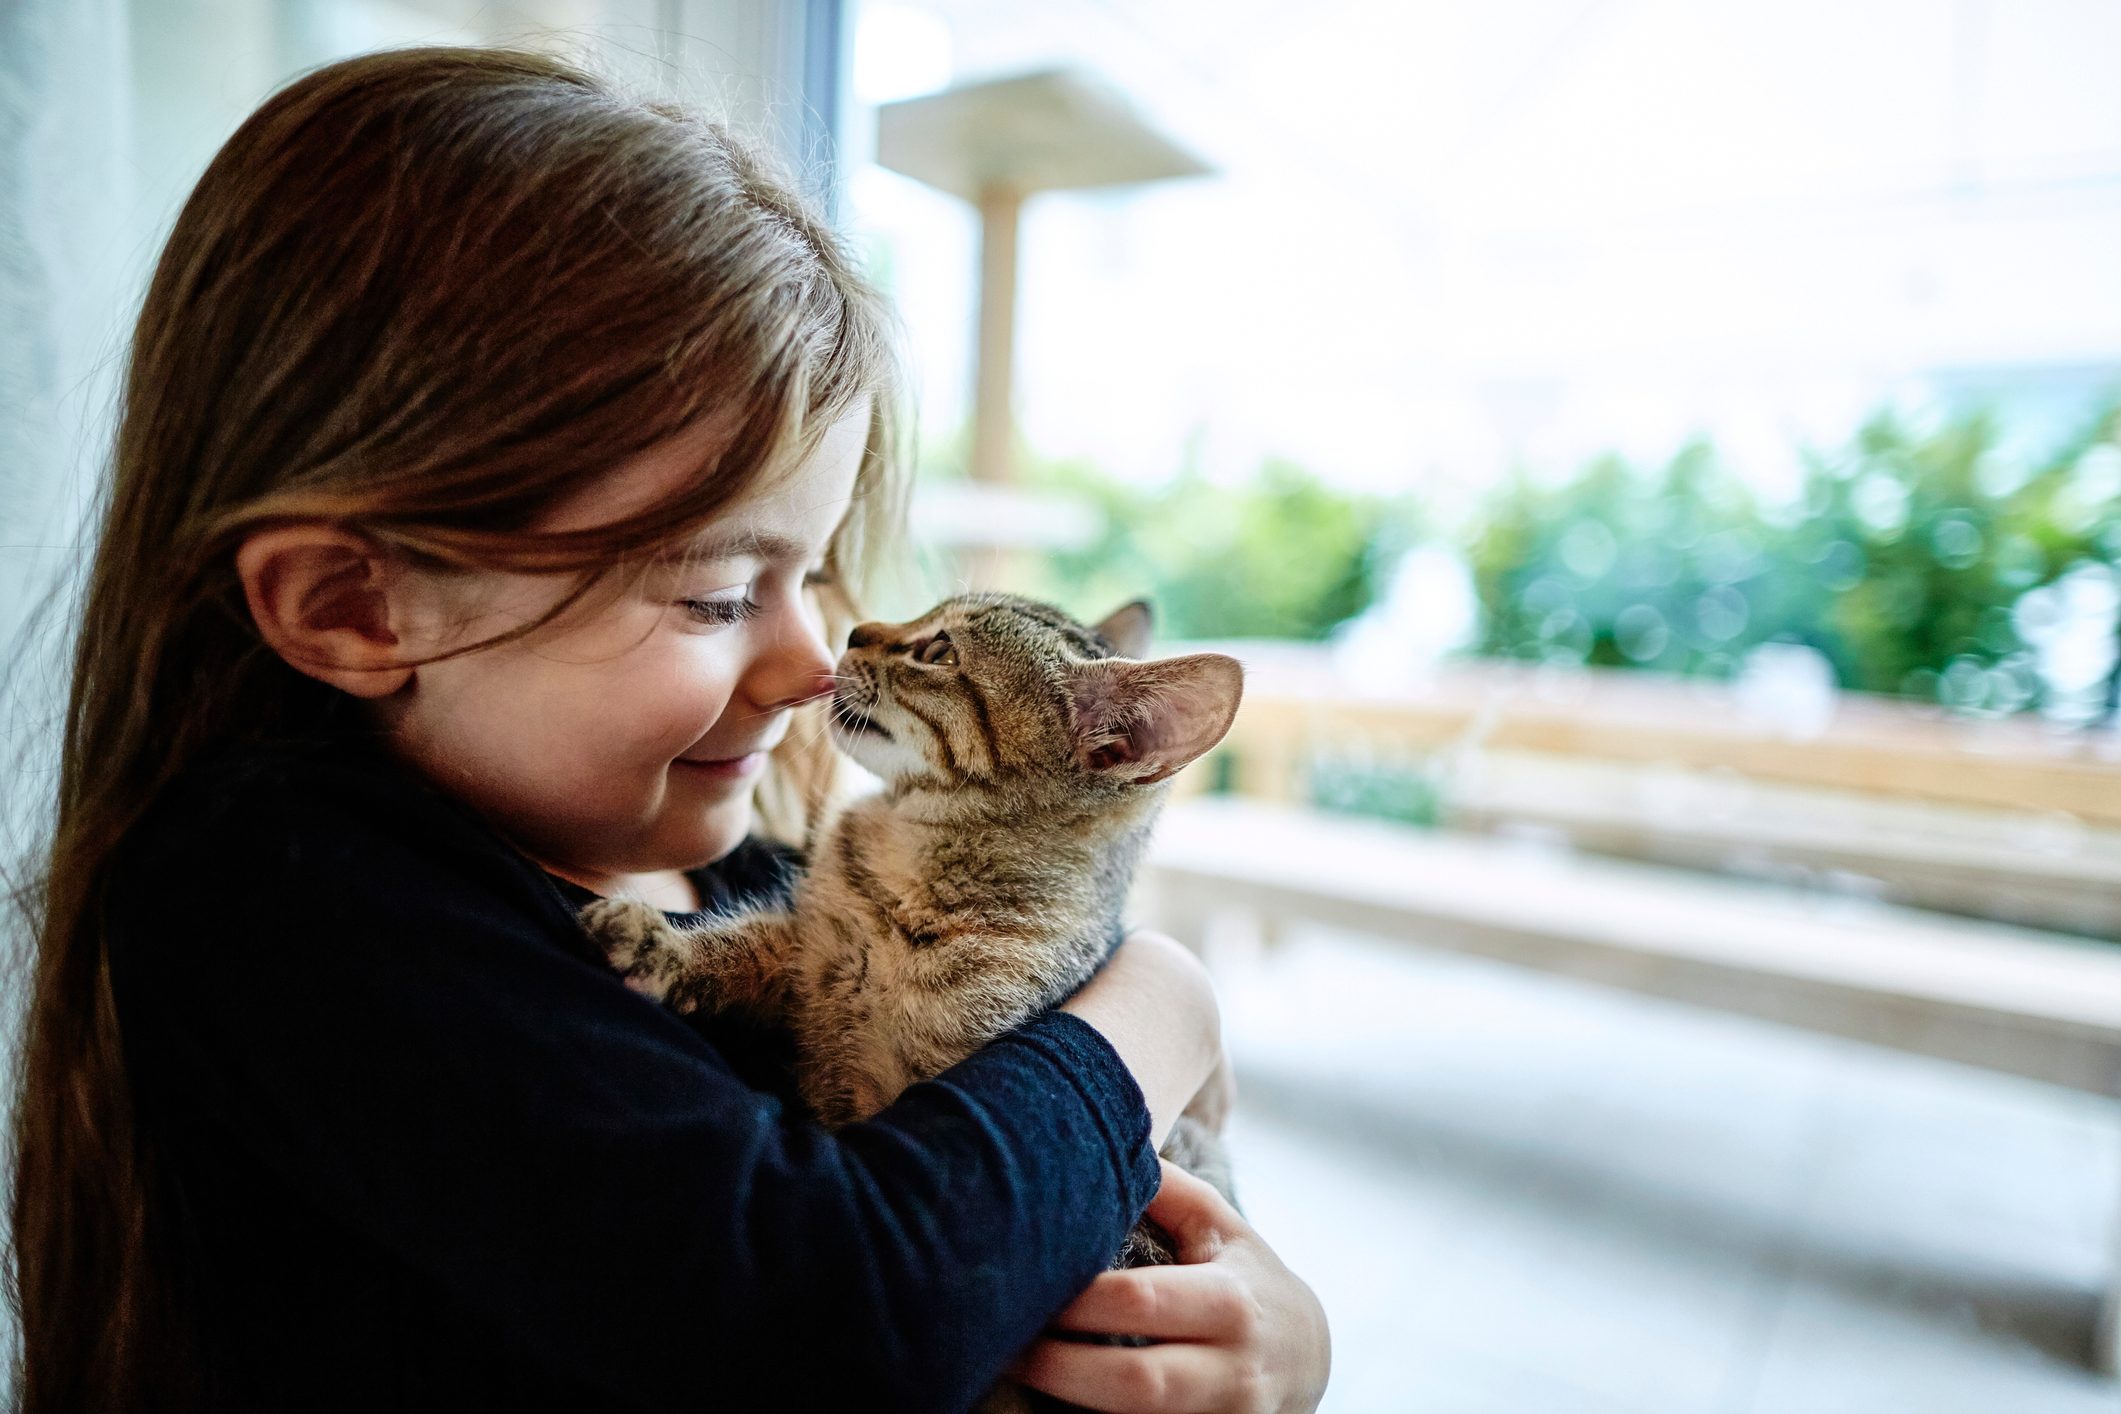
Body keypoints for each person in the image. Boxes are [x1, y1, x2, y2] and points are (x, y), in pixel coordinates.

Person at [6, 45, 1328, 1414]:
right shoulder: (280, 895)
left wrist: (1274, 1336)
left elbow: (1013, 1206)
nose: (818, 658)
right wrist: (1163, 998)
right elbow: (833, 1312)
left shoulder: (745, 881)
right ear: (352, 603)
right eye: (715, 593)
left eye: (810, 571)